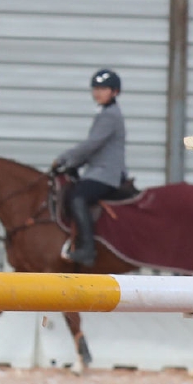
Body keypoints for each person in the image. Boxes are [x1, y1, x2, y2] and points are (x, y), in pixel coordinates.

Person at [52, 68, 128, 266]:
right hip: (97, 171)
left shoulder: (110, 116)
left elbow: (92, 145)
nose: (97, 93)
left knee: (78, 197)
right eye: (95, 88)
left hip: (106, 174)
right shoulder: (105, 113)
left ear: (115, 92)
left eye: (103, 89)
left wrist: (63, 160)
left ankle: (87, 249)